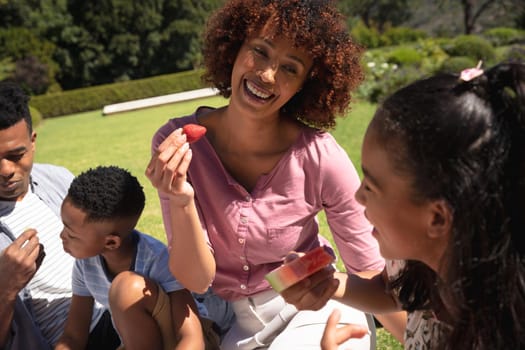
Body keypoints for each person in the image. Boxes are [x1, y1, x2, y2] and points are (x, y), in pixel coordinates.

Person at [146, 0, 406, 348]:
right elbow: (196, 279)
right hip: (234, 327)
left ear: (305, 85)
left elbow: (371, 274)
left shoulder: (320, 156)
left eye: (290, 68)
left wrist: (423, 342)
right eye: (260, 51)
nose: (268, 75)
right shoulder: (177, 144)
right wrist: (181, 201)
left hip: (315, 309)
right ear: (234, 47)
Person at [312, 62, 525, 349]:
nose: (358, 196)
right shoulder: (416, 258)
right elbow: (392, 292)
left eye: (372, 187)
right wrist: (330, 284)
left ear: (437, 218)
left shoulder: (501, 329)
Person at [56, 165, 220, 350]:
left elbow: (192, 337)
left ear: (111, 243)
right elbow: (73, 336)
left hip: (195, 342)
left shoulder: (158, 260)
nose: (62, 236)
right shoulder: (85, 266)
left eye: (71, 234)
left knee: (127, 288)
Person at [0, 82, 108, 350]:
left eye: (16, 155)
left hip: (118, 309)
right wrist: (6, 288)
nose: (5, 170)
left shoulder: (58, 179)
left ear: (33, 142)